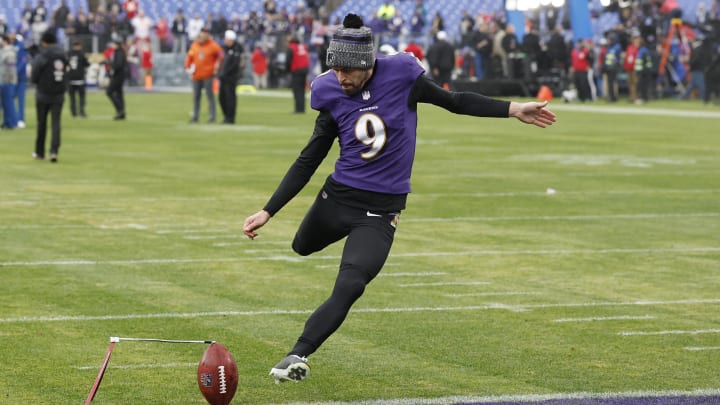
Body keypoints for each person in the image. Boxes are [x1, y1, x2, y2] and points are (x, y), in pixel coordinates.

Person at [242, 13, 556, 384]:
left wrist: (512, 108)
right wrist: (268, 210)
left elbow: (454, 101)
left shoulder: (404, 75)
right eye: (336, 68)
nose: (342, 77)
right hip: (337, 197)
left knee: (351, 284)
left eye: (349, 70)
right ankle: (310, 246)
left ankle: (296, 354)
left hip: (380, 210)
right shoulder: (328, 91)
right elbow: (309, 158)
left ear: (368, 64)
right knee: (302, 246)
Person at [31, 30, 67, 162]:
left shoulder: (43, 55)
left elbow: (35, 74)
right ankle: (54, 151)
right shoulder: (62, 55)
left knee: (42, 123)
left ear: (44, 42)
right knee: (56, 122)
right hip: (58, 94)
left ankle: (39, 152)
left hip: (43, 93)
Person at [184, 27, 223, 123]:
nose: (202, 36)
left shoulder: (213, 45)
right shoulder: (194, 45)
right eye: (201, 34)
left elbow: (221, 55)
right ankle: (195, 116)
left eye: (205, 34)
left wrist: (217, 65)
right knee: (196, 97)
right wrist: (187, 66)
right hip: (196, 75)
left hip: (208, 75)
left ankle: (212, 117)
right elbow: (190, 57)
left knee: (210, 97)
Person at [217, 30, 244, 124]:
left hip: (231, 78)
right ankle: (226, 116)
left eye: (226, 39)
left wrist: (225, 73)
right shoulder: (224, 49)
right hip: (223, 77)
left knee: (230, 98)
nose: (224, 40)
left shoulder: (237, 49)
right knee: (222, 98)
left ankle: (230, 117)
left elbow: (235, 64)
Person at [286, 34, 310, 113]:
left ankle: (298, 109)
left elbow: (288, 61)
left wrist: (287, 70)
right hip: (305, 69)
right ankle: (302, 108)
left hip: (297, 70)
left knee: (297, 90)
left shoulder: (291, 47)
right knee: (302, 90)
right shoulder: (303, 46)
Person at [67, 40, 89, 117]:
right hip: (80, 79)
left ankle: (73, 112)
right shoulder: (81, 54)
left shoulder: (69, 54)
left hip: (70, 79)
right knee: (81, 97)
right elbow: (86, 64)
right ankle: (82, 112)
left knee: (72, 97)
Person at [106, 39, 127, 119]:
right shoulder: (119, 52)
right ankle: (121, 113)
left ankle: (120, 109)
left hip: (118, 76)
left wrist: (109, 63)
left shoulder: (119, 53)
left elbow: (118, 65)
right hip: (119, 75)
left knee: (109, 91)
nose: (112, 46)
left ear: (117, 45)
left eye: (113, 44)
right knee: (119, 94)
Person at [12, 33, 29, 128]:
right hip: (11, 77)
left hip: (20, 78)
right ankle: (14, 118)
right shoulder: (11, 47)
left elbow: (23, 62)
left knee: (20, 99)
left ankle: (21, 119)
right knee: (10, 99)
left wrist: (15, 72)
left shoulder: (22, 49)